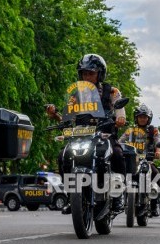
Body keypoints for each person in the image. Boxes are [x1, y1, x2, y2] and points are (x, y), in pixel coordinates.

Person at [46, 54, 127, 213]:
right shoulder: (76, 95)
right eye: (84, 73)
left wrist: (120, 118)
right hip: (82, 135)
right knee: (63, 156)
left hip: (104, 134)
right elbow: (68, 117)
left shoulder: (111, 91)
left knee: (117, 154)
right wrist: (56, 114)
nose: (87, 76)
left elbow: (119, 109)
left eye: (91, 73)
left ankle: (118, 194)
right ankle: (71, 196)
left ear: (100, 74)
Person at [118, 104, 160, 216]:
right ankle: (118, 199)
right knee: (120, 173)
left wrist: (158, 151)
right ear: (136, 117)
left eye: (145, 117)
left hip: (147, 160)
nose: (142, 119)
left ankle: (154, 203)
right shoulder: (130, 130)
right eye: (140, 117)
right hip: (132, 160)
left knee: (156, 173)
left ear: (149, 118)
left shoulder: (154, 131)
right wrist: (119, 147)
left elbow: (158, 142)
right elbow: (121, 141)